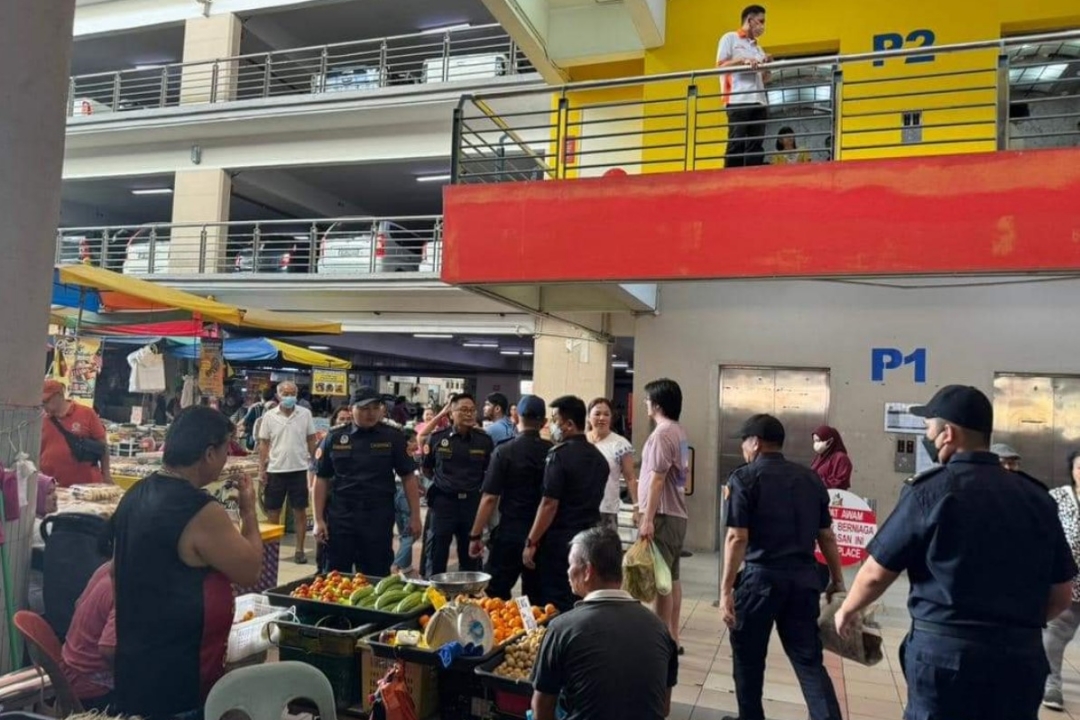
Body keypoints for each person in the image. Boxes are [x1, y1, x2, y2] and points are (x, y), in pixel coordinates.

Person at [835, 385, 1076, 720]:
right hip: (1020, 657)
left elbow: (876, 572)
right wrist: (1013, 628)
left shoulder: (930, 491)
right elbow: (1062, 594)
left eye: (929, 430)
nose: (928, 438)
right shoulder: (1038, 498)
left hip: (946, 655)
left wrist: (847, 610)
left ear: (948, 433)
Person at [112, 406, 263, 720]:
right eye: (225, 451)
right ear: (209, 453)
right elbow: (250, 571)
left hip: (136, 661)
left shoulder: (135, 494)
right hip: (180, 672)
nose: (226, 460)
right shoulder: (200, 511)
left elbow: (115, 570)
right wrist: (249, 512)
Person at [720, 413, 845, 720]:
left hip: (759, 583)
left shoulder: (744, 478)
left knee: (749, 660)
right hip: (803, 582)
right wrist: (838, 581)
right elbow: (826, 535)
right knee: (809, 661)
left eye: (745, 442)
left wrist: (725, 591)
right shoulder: (809, 478)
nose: (743, 450)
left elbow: (737, 537)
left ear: (756, 443)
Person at [531, 526, 678, 720]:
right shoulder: (660, 629)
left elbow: (541, 710)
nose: (567, 572)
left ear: (587, 571)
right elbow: (664, 708)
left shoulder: (562, 628)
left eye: (571, 564)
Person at [314, 388, 421, 577]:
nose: (370, 413)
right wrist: (318, 519)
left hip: (377, 516)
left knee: (376, 573)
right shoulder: (335, 436)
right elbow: (321, 478)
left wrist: (415, 516)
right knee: (335, 574)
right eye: (364, 408)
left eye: (375, 408)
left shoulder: (392, 436)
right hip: (341, 516)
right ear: (350, 409)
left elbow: (408, 476)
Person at [522, 395, 609, 612]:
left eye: (555, 421)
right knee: (581, 594)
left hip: (559, 542)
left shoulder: (558, 456)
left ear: (569, 425)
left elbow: (549, 503)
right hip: (589, 538)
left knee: (553, 599)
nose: (552, 426)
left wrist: (531, 541)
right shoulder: (599, 458)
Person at [468, 396, 552, 600]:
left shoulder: (504, 451)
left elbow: (489, 498)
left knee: (495, 593)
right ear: (544, 422)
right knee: (537, 598)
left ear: (516, 417)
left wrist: (475, 535)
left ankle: (505, 630)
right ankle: (535, 632)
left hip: (510, 532)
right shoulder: (552, 452)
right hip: (543, 534)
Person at [637, 379, 690, 650]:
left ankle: (659, 641)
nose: (645, 404)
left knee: (661, 581)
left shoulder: (661, 434)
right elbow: (680, 478)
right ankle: (671, 636)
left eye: (647, 400)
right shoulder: (679, 432)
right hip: (677, 514)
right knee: (672, 576)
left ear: (657, 404)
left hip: (663, 515)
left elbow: (657, 479)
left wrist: (647, 518)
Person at [422, 393, 495, 576]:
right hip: (443, 504)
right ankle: (435, 600)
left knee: (470, 558)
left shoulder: (484, 441)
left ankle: (467, 599)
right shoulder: (437, 438)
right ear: (451, 414)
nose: (469, 414)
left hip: (471, 505)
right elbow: (427, 468)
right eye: (463, 410)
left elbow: (489, 472)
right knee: (437, 555)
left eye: (472, 410)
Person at [258, 381, 318, 564]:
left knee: (299, 511)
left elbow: (311, 439)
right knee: (273, 512)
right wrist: (262, 469)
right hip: (276, 469)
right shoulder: (269, 416)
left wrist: (315, 464)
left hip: (299, 469)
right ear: (278, 395)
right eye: (285, 393)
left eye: (292, 393)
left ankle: (299, 550)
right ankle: (271, 552)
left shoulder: (305, 414)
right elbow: (264, 444)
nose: (289, 396)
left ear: (297, 395)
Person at [1041, 450, 1080, 711]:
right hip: (1067, 581)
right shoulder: (1057, 497)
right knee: (1054, 634)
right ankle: (1051, 683)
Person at [717, 5, 771, 168]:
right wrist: (742, 61)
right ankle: (730, 182)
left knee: (756, 146)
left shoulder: (758, 47)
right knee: (737, 143)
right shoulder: (730, 38)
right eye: (760, 21)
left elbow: (765, 79)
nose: (762, 26)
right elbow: (720, 66)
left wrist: (768, 65)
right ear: (750, 20)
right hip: (737, 98)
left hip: (759, 101)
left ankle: (753, 182)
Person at [61, 560, 116, 710]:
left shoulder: (107, 567)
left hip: (70, 670)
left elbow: (78, 603)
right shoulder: (125, 588)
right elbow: (108, 650)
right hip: (92, 687)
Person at [40, 379, 113, 487]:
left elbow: (103, 446)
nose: (44, 405)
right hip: (52, 485)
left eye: (47, 401)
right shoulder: (41, 419)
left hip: (85, 485)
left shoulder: (86, 413)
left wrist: (106, 475)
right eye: (42, 403)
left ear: (59, 395)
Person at [587, 397, 637, 529]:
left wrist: (637, 507)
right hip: (581, 509)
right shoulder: (580, 441)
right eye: (597, 414)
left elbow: (630, 478)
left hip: (607, 510)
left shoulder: (620, 444)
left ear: (611, 417)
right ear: (588, 417)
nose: (601, 418)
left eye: (606, 414)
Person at [392, 429, 420, 575]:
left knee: (403, 529)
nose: (417, 443)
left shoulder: (394, 453)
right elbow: (412, 478)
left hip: (394, 491)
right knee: (411, 532)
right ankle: (397, 564)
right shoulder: (408, 456)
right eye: (414, 440)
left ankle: (406, 565)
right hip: (404, 493)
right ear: (407, 442)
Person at [810, 425, 853, 490]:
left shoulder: (841, 458)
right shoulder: (820, 457)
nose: (816, 444)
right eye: (815, 441)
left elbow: (840, 481)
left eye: (819, 441)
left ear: (830, 441)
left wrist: (818, 483)